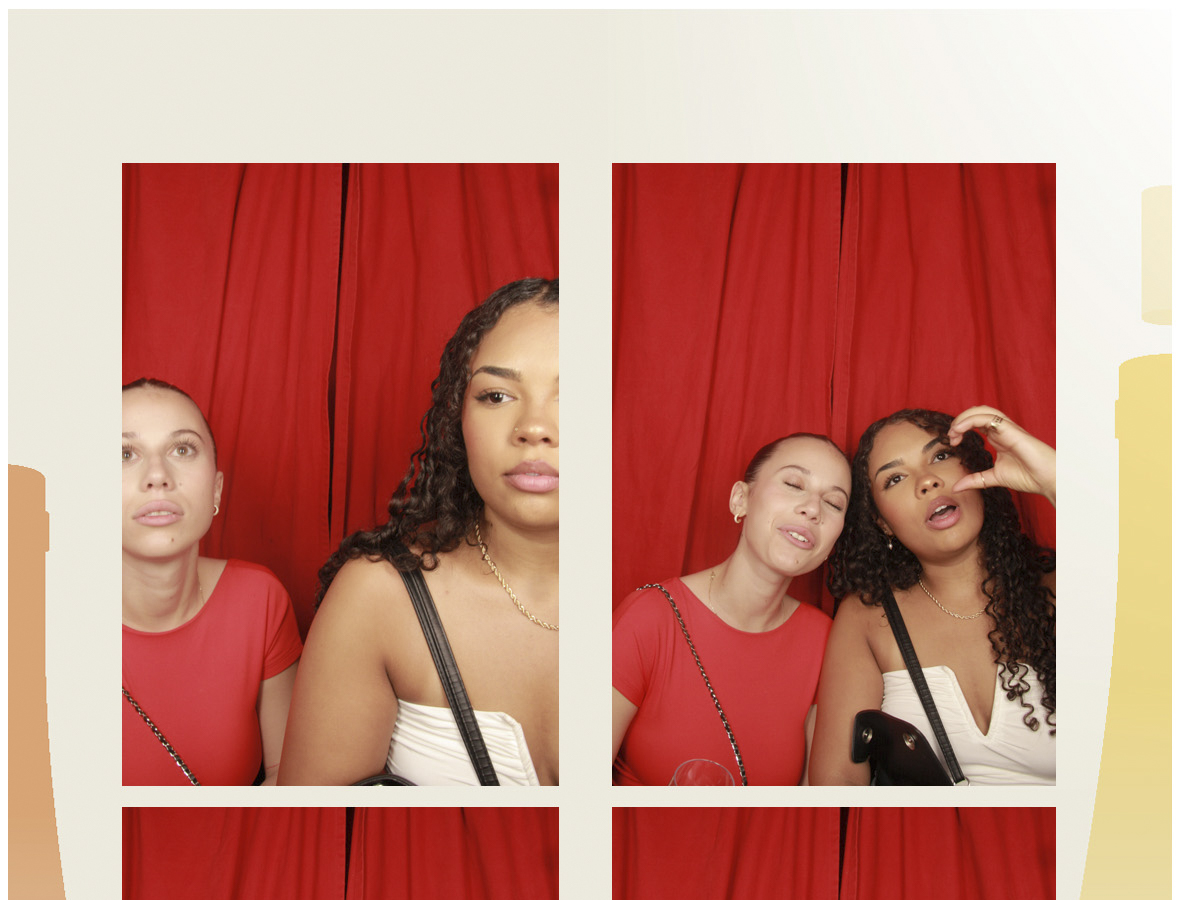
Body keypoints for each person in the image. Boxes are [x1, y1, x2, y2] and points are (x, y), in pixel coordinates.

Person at [279, 279, 559, 786]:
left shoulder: (653, 612)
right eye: (496, 395)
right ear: (459, 420)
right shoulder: (379, 596)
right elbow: (313, 822)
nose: (533, 427)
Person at [810, 405, 1056, 785]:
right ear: (882, 522)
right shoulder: (868, 616)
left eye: (940, 456)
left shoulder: (1060, 588)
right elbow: (837, 784)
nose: (926, 481)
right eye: (894, 478)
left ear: (975, 470)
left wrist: (1054, 480)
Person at [612, 435, 849, 786]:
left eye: (833, 503)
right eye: (794, 484)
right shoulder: (650, 618)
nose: (813, 509)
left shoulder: (826, 641)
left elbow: (809, 805)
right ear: (741, 499)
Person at [122, 379, 302, 785]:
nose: (157, 476)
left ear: (217, 490)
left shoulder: (260, 601)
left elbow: (288, 777)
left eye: (182, 449)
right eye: (124, 453)